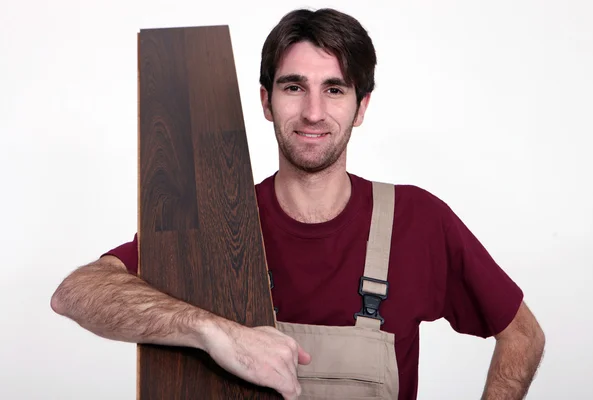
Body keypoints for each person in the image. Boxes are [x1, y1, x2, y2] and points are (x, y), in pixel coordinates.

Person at [51, 7, 545, 400]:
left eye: (334, 89)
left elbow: (523, 335)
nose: (313, 112)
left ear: (361, 107)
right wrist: (213, 331)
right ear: (266, 101)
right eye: (294, 87)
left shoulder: (419, 221)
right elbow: (76, 291)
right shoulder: (213, 220)